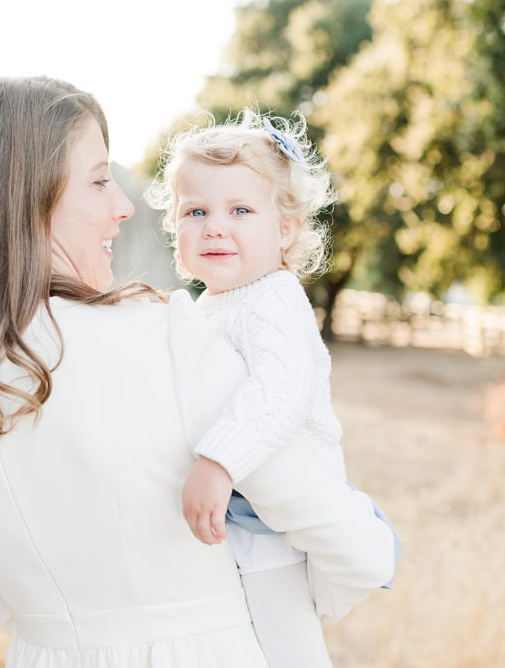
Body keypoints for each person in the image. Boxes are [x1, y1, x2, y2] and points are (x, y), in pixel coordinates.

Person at [0, 76, 396, 668]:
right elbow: (355, 551)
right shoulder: (168, 339)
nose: (126, 206)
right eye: (100, 180)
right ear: (25, 194)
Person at [146, 109, 401, 667]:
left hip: (276, 519)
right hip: (238, 508)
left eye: (240, 209)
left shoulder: (274, 299)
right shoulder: (212, 305)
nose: (215, 225)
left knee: (287, 650)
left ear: (286, 228)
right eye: (196, 211)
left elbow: (278, 394)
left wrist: (218, 463)